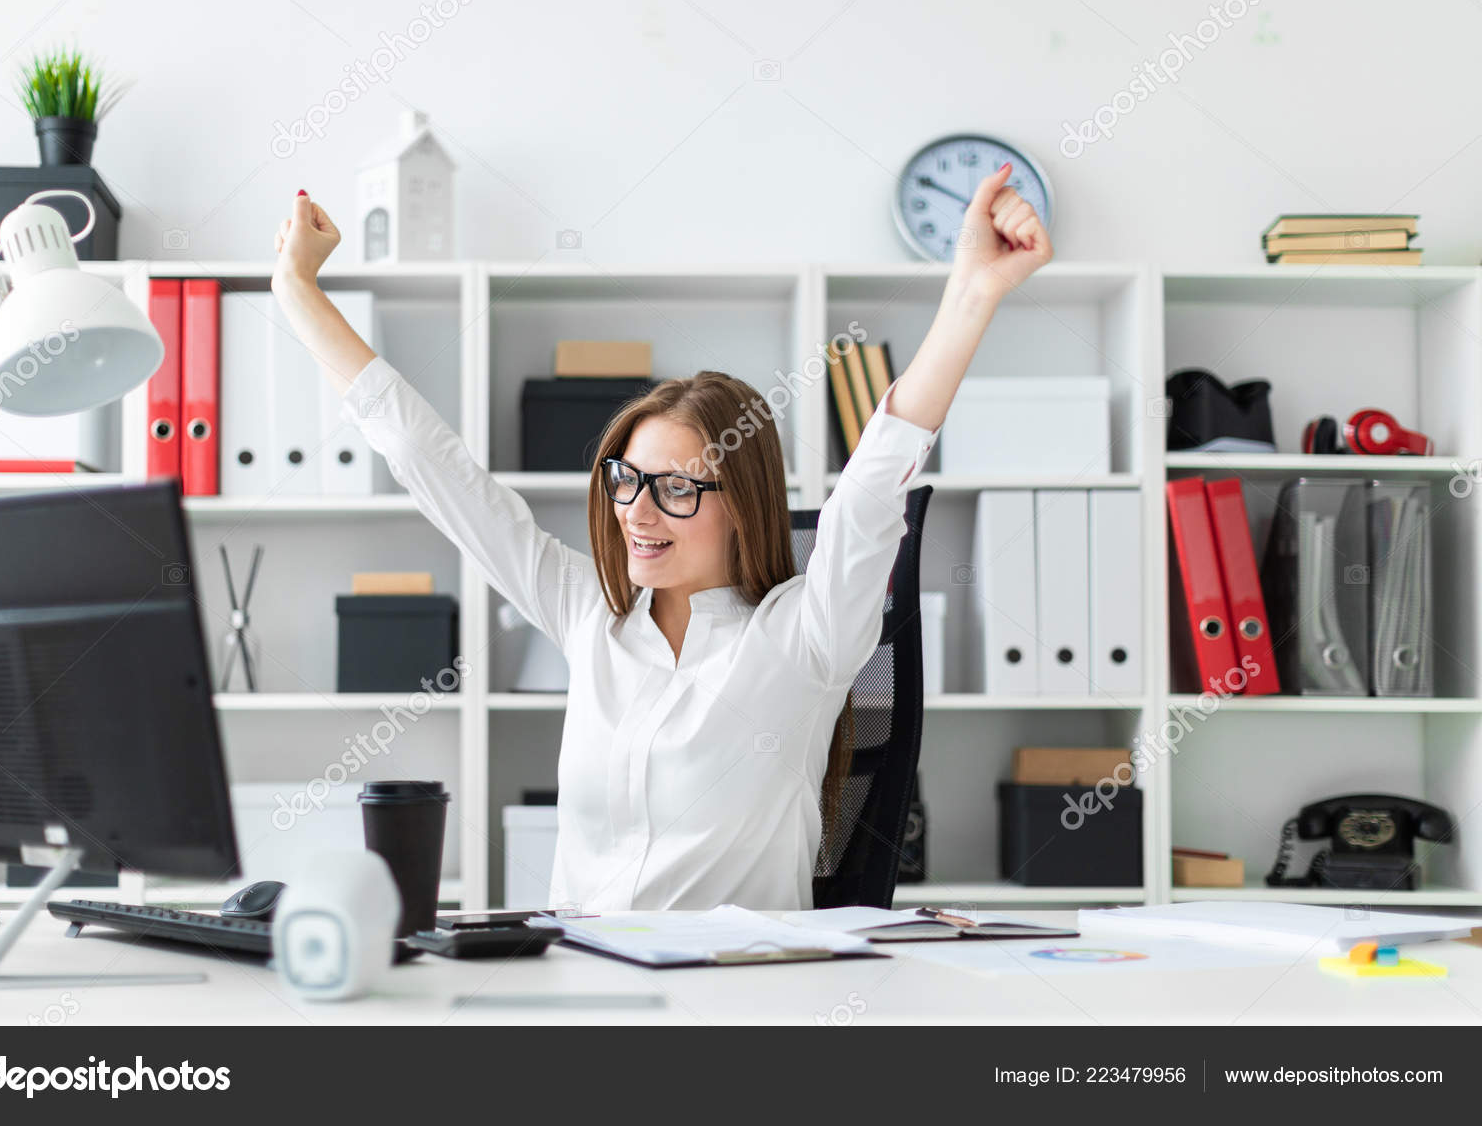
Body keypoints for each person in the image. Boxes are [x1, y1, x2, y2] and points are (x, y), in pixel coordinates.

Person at [271, 164, 1052, 910]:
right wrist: (297, 292)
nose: (638, 512)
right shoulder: (593, 619)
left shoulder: (806, 636)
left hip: (734, 1002)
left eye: (677, 488)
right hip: (581, 985)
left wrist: (972, 293)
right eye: (627, 480)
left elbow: (877, 476)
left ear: (743, 505)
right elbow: (435, 469)